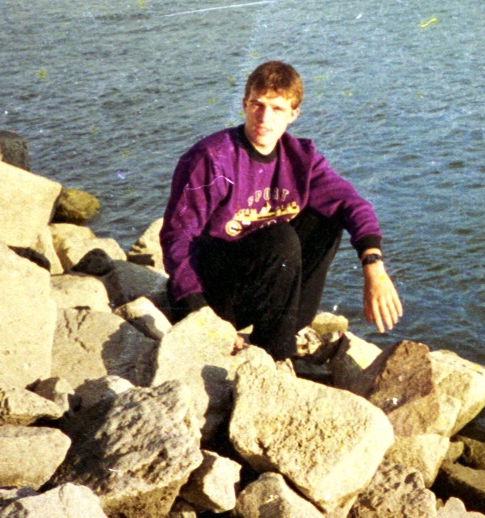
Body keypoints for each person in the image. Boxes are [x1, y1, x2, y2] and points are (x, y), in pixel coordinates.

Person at [161, 60, 402, 360]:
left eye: (276, 109)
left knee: (328, 220)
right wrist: (200, 313)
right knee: (281, 238)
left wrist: (374, 267)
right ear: (244, 104)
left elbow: (352, 204)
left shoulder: (301, 158)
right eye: (256, 105)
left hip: (260, 284)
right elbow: (176, 238)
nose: (264, 118)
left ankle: (281, 332)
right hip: (211, 291)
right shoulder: (212, 157)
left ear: (293, 113)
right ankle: (274, 358)